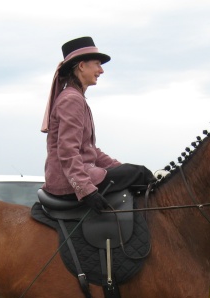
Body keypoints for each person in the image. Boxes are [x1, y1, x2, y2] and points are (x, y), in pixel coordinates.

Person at [41, 36, 156, 213]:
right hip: (68, 183)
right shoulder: (71, 99)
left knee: (134, 173)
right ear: (81, 66)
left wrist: (120, 168)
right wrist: (86, 190)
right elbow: (67, 151)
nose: (101, 70)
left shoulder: (75, 98)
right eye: (97, 64)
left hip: (79, 175)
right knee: (141, 174)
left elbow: (90, 150)